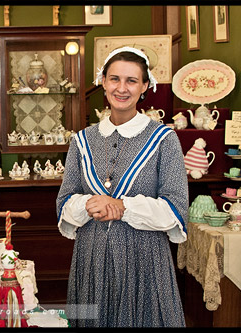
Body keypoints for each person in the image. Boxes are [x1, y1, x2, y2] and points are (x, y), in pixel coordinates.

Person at [56, 46, 188, 327]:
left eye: (131, 81)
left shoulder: (164, 139)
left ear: (144, 86)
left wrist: (123, 206)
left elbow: (176, 209)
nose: (122, 88)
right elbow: (64, 203)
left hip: (145, 261)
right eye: (115, 79)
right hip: (91, 259)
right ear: (103, 82)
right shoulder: (81, 141)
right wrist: (90, 204)